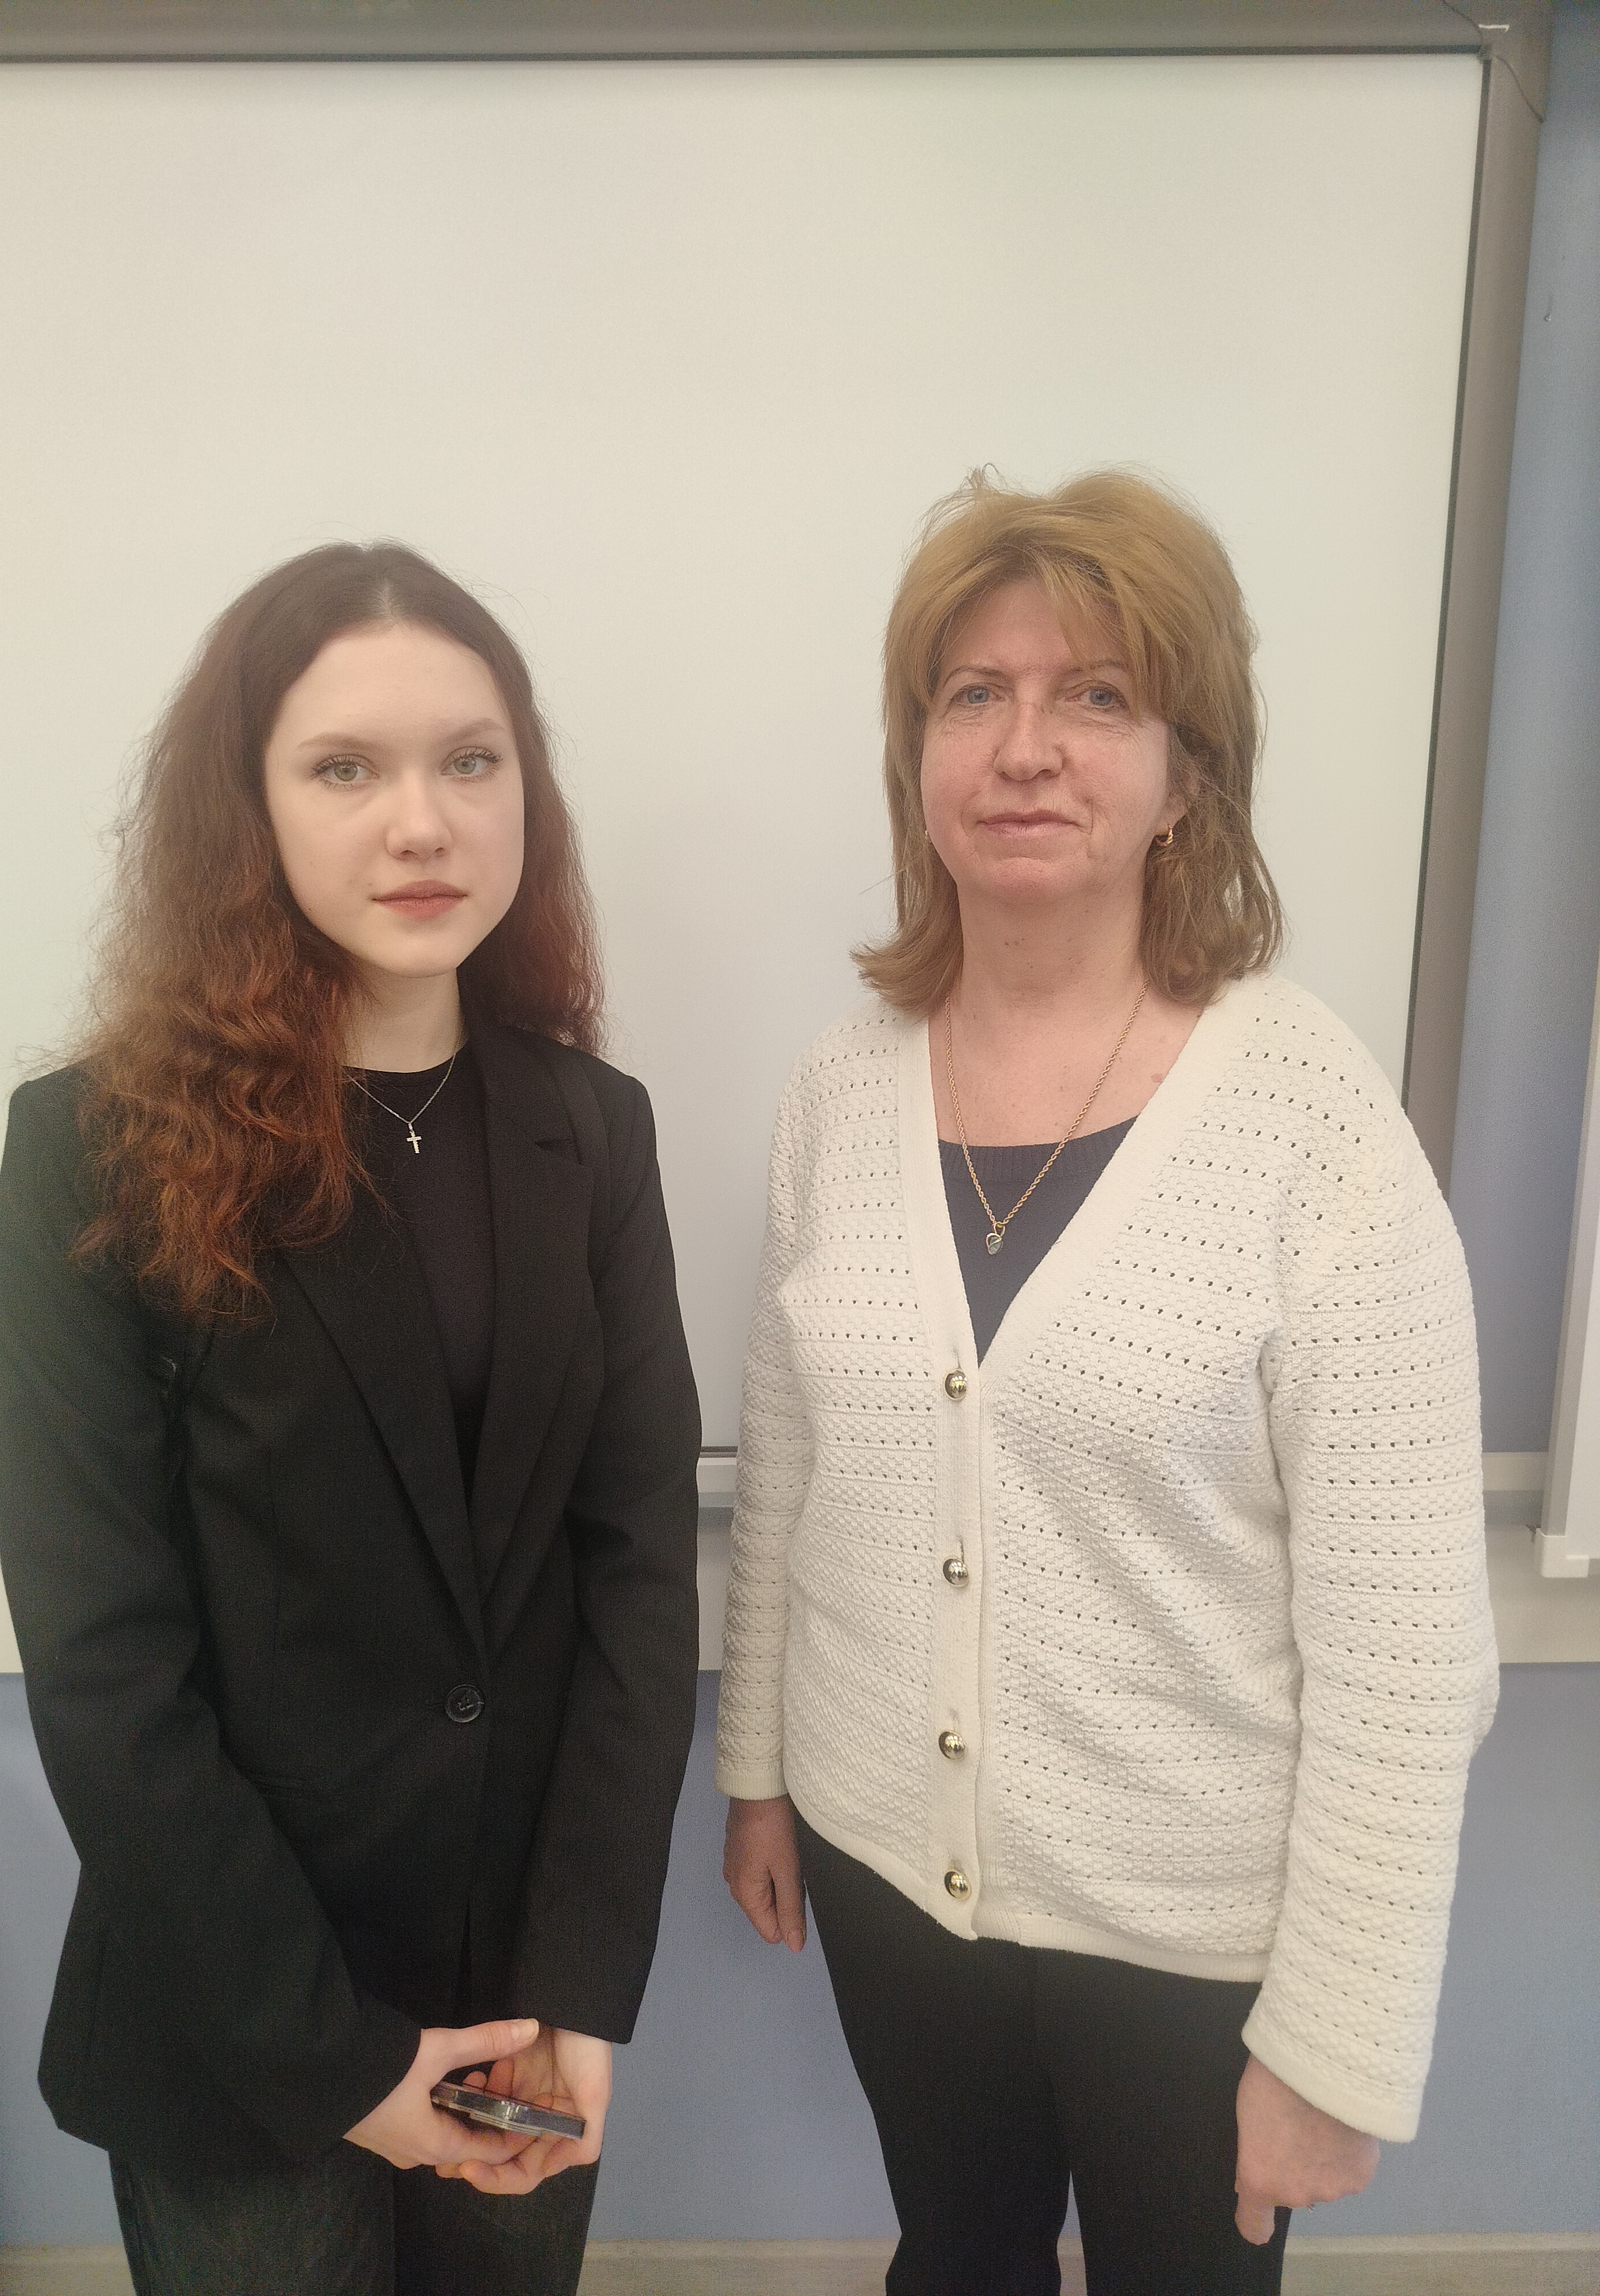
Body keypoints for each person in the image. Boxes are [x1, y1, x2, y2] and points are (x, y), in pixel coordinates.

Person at [717, 472, 1497, 2296]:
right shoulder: (841, 1088)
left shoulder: (1311, 1120)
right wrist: (758, 1775)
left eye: (1097, 697)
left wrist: (1337, 2045)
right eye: (973, 695)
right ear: (919, 756)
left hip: (1192, 1935)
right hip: (884, 1875)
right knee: (957, 2260)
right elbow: (792, 1471)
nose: (1026, 747)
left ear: (1186, 773)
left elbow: (1406, 1648)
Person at [0, 542, 701, 2296]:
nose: (422, 823)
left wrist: (584, 1987)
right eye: (344, 768)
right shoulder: (95, 1149)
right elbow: (104, 1666)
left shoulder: (593, 1129)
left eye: (471, 760)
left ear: (526, 791)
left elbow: (634, 1574)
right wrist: (349, 2070)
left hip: (518, 1999)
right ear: (247, 810)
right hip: (237, 2017)